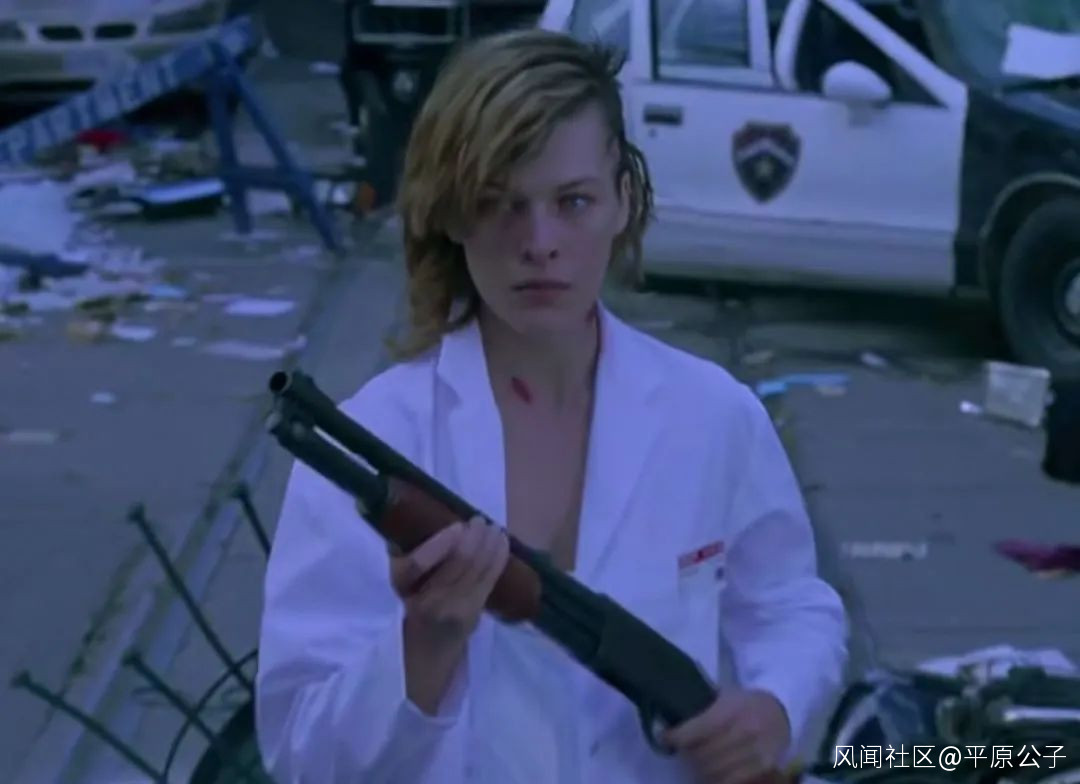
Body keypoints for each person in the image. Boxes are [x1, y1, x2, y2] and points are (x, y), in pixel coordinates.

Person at [255, 29, 849, 784]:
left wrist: (775, 708)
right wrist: (424, 645)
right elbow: (300, 754)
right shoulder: (374, 438)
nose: (540, 243)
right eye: (500, 204)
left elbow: (791, 604)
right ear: (451, 215)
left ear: (622, 201)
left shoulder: (713, 413)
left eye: (573, 202)